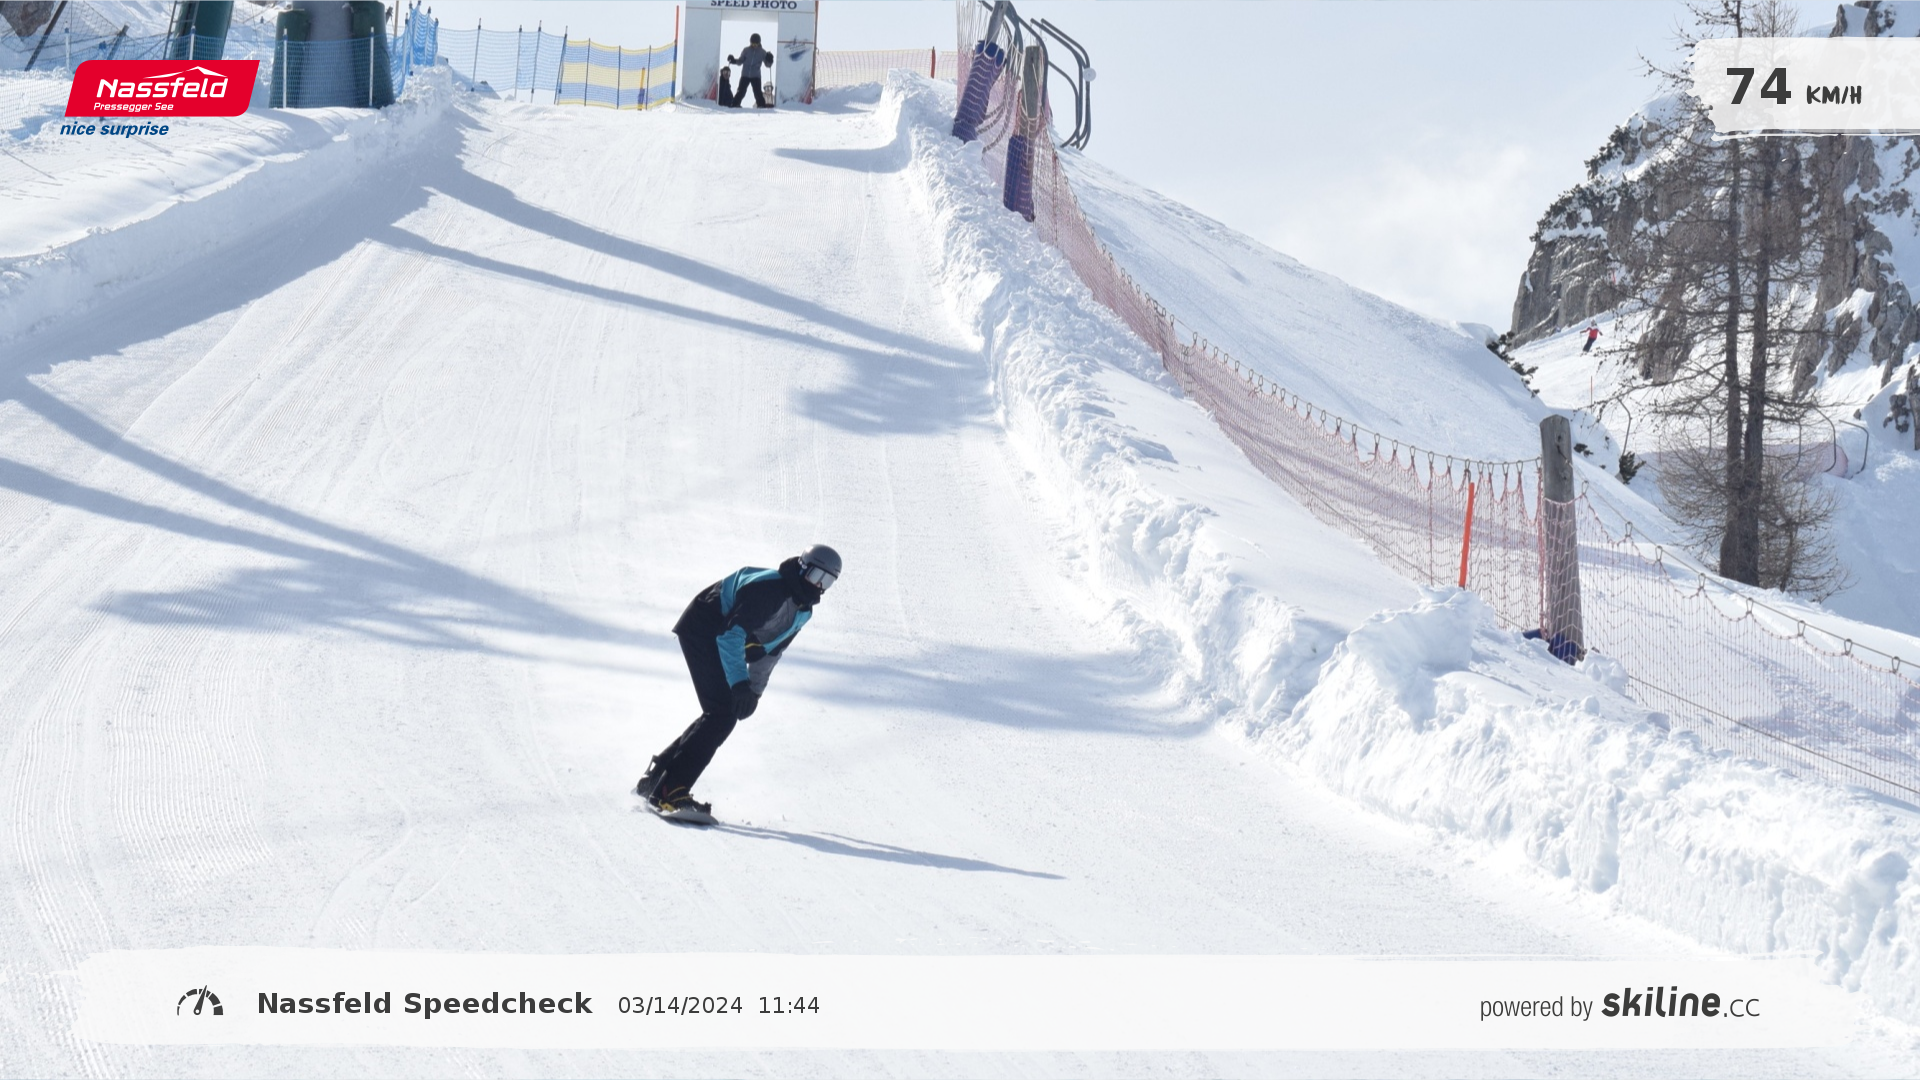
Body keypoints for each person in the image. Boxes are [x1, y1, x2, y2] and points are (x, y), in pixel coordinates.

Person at [637, 544, 842, 819]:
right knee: (721, 713)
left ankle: (656, 782)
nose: (819, 585)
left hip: (722, 639)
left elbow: (771, 652)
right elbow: (729, 636)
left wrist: (754, 692)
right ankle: (670, 791)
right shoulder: (771, 590)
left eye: (827, 581)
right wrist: (739, 684)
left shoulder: (803, 610)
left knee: (721, 713)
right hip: (703, 629)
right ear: (803, 567)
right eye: (817, 575)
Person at [727, 33, 773, 108]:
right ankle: (735, 104)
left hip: (756, 76)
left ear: (759, 43)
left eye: (756, 44)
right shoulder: (746, 50)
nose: (754, 46)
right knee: (741, 91)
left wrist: (770, 60)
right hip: (745, 74)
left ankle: (761, 105)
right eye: (752, 44)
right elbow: (740, 61)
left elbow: (768, 65)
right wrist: (733, 60)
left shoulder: (762, 52)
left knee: (757, 92)